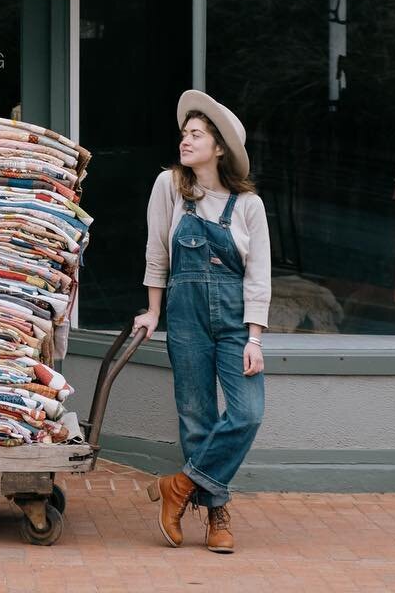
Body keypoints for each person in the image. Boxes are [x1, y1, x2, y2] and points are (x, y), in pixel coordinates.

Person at [133, 90, 271, 554]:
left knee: (248, 412)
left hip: (236, 324)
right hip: (186, 318)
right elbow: (157, 252)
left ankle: (179, 486)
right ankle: (215, 515)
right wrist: (153, 312)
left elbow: (258, 277)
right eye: (184, 134)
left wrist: (255, 338)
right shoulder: (169, 186)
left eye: (196, 135)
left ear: (219, 148)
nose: (185, 142)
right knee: (197, 417)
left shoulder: (249, 205)